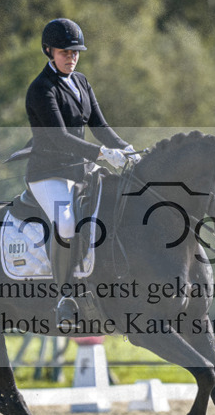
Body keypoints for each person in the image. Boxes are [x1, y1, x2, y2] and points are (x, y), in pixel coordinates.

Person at [24, 18, 136, 330]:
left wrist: (127, 149)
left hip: (79, 170)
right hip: (48, 174)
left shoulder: (81, 82)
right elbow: (59, 136)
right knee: (66, 222)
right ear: (49, 51)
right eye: (64, 52)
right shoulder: (41, 89)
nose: (71, 57)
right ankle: (64, 297)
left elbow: (99, 126)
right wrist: (102, 154)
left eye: (75, 53)